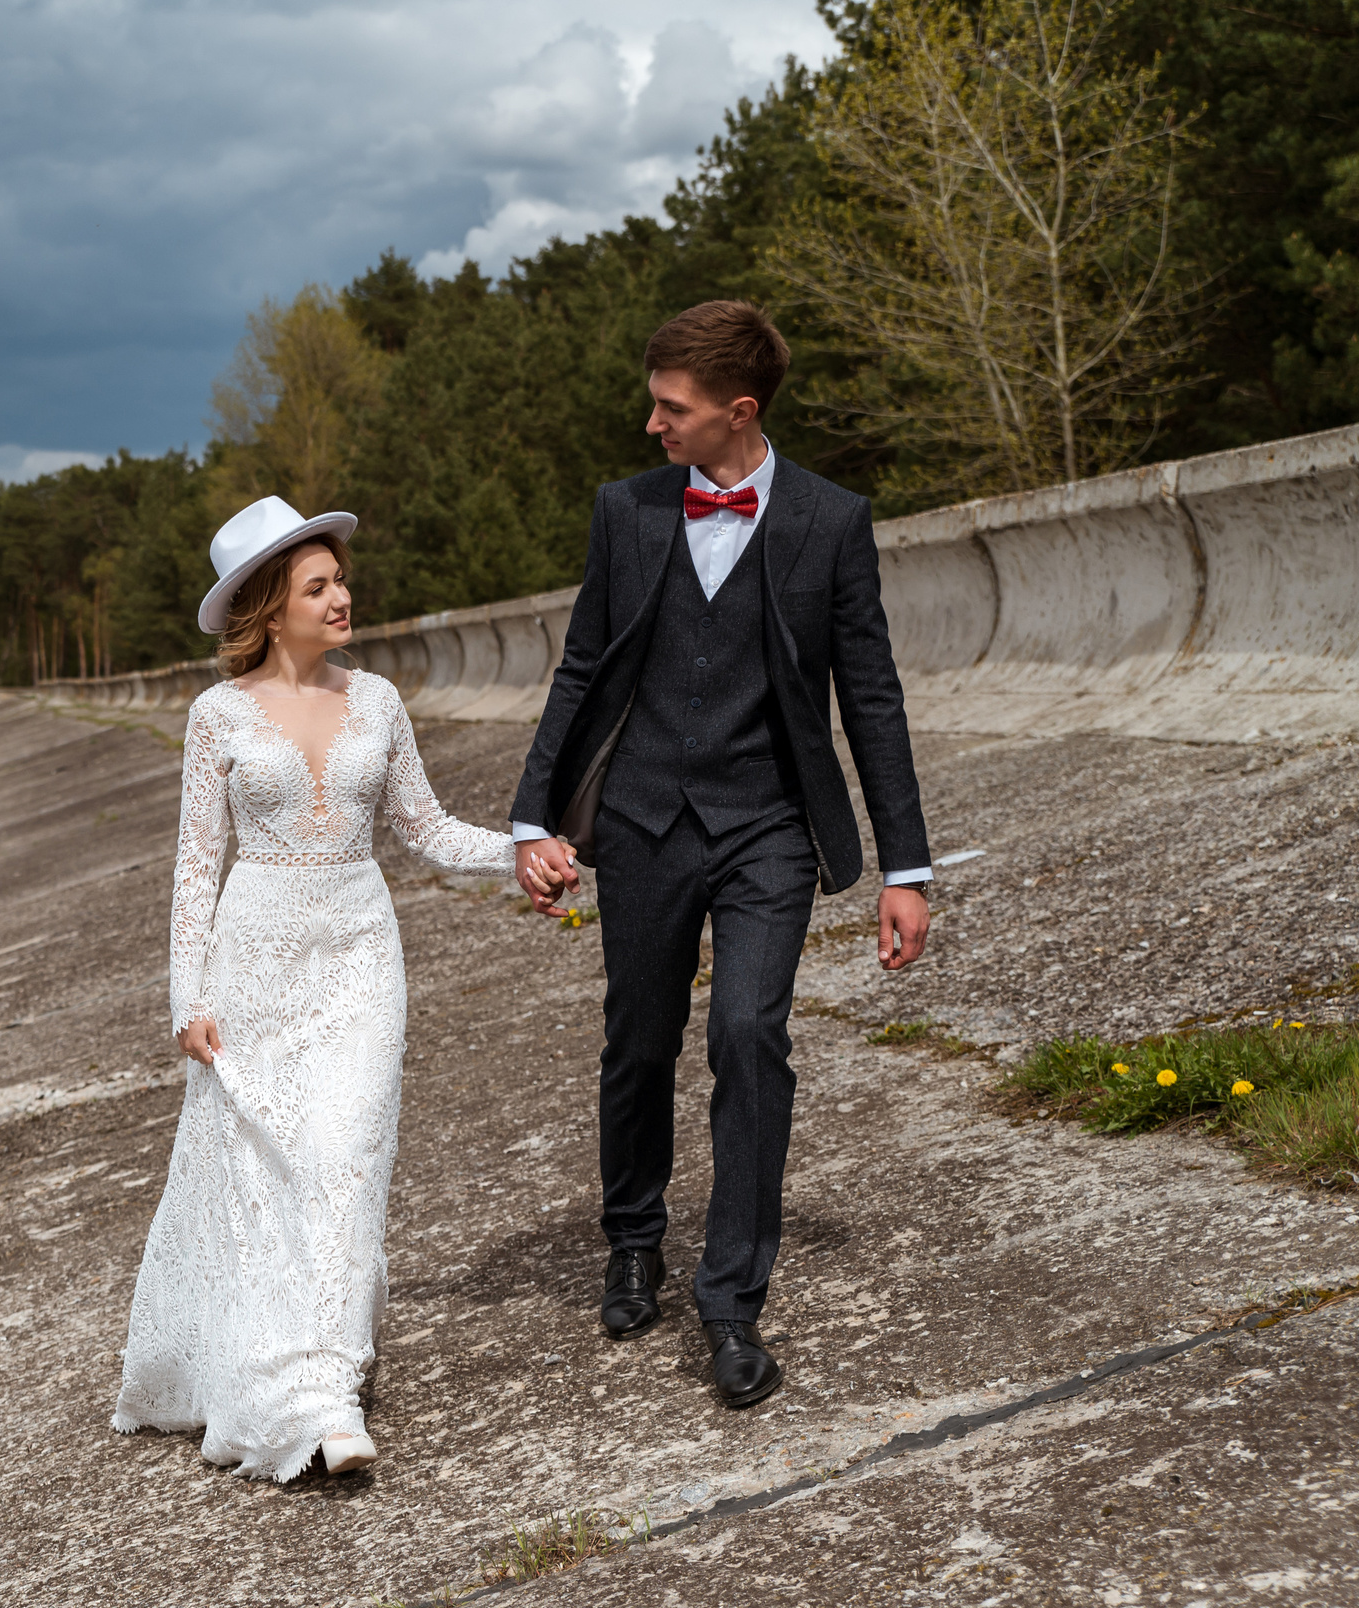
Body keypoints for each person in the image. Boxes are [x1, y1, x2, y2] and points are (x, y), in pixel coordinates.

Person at [510, 300, 932, 1408]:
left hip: (765, 831)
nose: (651, 425)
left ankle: (731, 1300)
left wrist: (906, 867)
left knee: (749, 1033)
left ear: (738, 413)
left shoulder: (830, 522)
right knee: (639, 1042)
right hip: (644, 821)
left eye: (671, 408)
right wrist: (530, 818)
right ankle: (633, 1237)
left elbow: (871, 698)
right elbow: (580, 669)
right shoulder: (627, 513)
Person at [112, 495, 515, 1480]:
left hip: (358, 958)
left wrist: (528, 851)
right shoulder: (216, 718)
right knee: (271, 1173)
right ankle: (290, 1378)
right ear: (267, 605)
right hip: (253, 965)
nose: (343, 595)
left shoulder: (375, 699)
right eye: (317, 584)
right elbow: (194, 871)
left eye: (339, 579)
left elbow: (427, 829)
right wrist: (185, 1002)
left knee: (343, 1160)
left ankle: (327, 1390)